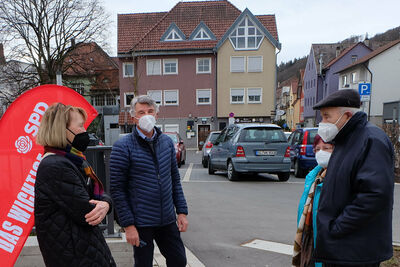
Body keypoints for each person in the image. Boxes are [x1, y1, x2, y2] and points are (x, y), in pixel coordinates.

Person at [312, 89, 394, 266]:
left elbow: (374, 195)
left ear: (347, 115)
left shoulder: (371, 139)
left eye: (327, 117)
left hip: (355, 250)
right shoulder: (345, 139)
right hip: (344, 247)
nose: (322, 122)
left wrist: (337, 227)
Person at [110, 95, 188, 267]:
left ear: (157, 115)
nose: (147, 115)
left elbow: (175, 180)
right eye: (141, 112)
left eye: (150, 111)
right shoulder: (123, 147)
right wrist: (128, 225)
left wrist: (181, 211)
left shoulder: (167, 143)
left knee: (179, 260)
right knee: (143, 264)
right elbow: (117, 189)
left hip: (167, 219)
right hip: (141, 222)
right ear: (133, 117)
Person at [35, 103, 115, 267]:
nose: (84, 131)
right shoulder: (55, 166)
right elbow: (88, 212)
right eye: (80, 126)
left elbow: (98, 196)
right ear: (62, 130)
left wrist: (106, 203)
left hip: (81, 250)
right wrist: (104, 204)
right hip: (75, 255)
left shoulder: (71, 160)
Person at [293, 134, 334, 267]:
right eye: (317, 149)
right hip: (309, 240)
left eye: (326, 148)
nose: (321, 152)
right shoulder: (313, 177)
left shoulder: (337, 177)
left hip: (327, 246)